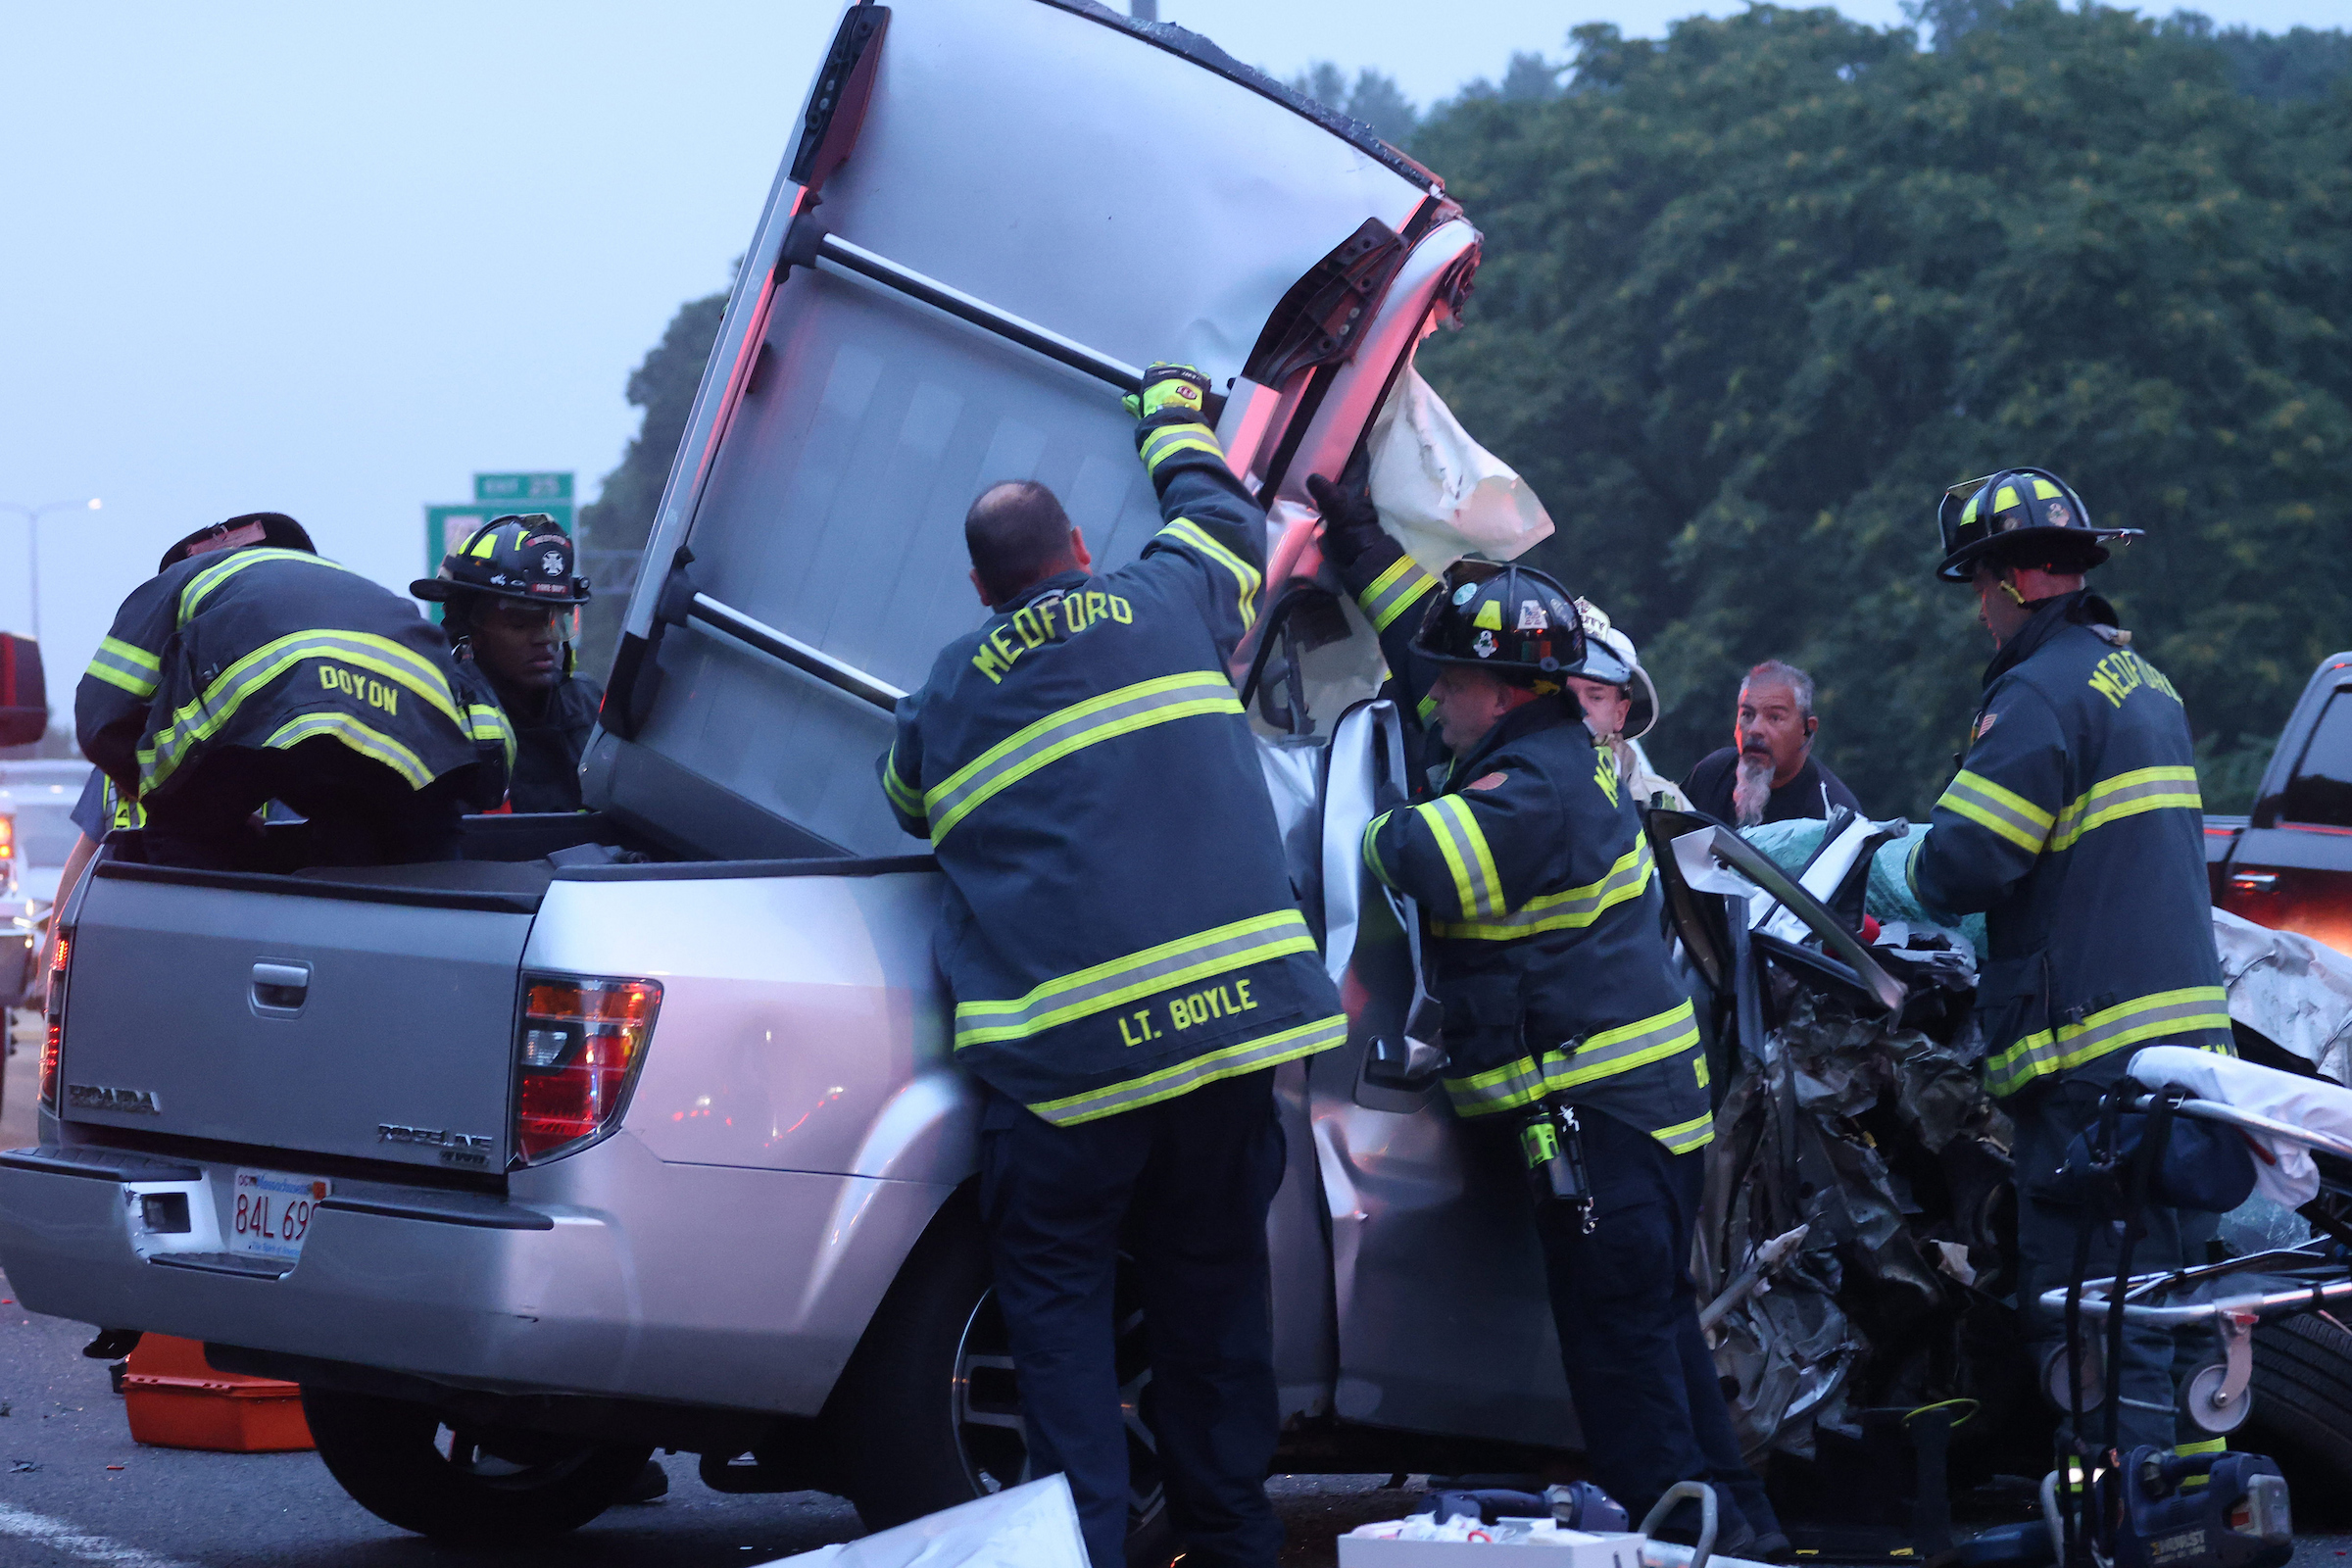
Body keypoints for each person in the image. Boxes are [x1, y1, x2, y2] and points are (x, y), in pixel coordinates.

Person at [877, 363, 1348, 1568]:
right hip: (1222, 1044)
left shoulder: (946, 693)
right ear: (1081, 545)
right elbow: (1229, 521)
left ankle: (1076, 1545)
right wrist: (1170, 413)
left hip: (1068, 1078)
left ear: (979, 588)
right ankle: (1231, 1535)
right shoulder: (1167, 602)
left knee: (1059, 1317)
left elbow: (904, 802)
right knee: (1213, 1298)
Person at [1310, 461, 1781, 1552]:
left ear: (1506, 687)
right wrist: (1358, 546)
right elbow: (1428, 648)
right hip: (1636, 1118)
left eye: (1450, 685)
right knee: (1663, 1356)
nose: (1430, 700)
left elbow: (1421, 856)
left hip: (1603, 1128)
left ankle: (1690, 1542)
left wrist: (1369, 819)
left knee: (1628, 1397)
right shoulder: (1548, 744)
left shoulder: (1537, 792)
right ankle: (1752, 1543)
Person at [1904, 467, 2230, 1460]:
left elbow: (1959, 863)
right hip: (2184, 1059)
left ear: (2001, 583)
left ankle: (2125, 1523)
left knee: (2101, 1314)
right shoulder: (2144, 680)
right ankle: (2199, 1513)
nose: (1979, 612)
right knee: (2178, 1300)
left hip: (2095, 1070)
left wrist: (1903, 858)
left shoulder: (2039, 694)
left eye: (1977, 589)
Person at [76, 512, 514, 871]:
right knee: (402, 841)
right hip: (415, 739)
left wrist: (166, 797)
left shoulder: (177, 582)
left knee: (181, 829)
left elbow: (101, 716)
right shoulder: (354, 587)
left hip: (268, 715)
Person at [412, 514, 602, 812]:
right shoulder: (444, 718)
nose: (545, 639)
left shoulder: (589, 704)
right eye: (520, 622)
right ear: (472, 629)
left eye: (554, 622)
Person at [1683, 661, 1860, 827]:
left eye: (1774, 717)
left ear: (1807, 730)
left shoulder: (1833, 814)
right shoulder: (1711, 775)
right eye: (1747, 715)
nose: (1755, 729)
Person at [1566, 599, 1690, 811]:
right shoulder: (1509, 792)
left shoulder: (1667, 804)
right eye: (1565, 695)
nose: (1579, 709)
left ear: (1620, 713)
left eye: (1596, 697)